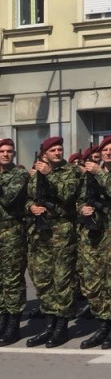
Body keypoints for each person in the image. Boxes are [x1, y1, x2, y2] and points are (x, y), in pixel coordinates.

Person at [76, 135, 111, 349]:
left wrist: (98, 173)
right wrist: (82, 209)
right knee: (93, 281)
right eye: (105, 150)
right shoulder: (91, 173)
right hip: (94, 231)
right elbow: (80, 199)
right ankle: (102, 324)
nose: (108, 153)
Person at [26, 136, 82, 348]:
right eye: (53, 150)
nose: (58, 152)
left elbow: (68, 195)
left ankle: (61, 327)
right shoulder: (37, 172)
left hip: (62, 230)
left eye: (60, 149)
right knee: (43, 280)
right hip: (40, 231)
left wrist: (49, 175)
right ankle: (49, 325)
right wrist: (31, 207)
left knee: (62, 280)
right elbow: (28, 197)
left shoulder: (71, 171)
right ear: (45, 154)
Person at [0, 138, 29, 346]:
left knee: (12, 279)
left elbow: (9, 198)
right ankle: (2, 320)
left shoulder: (19, 174)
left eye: (9, 151)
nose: (5, 154)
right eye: (2, 151)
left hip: (11, 231)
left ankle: (13, 324)